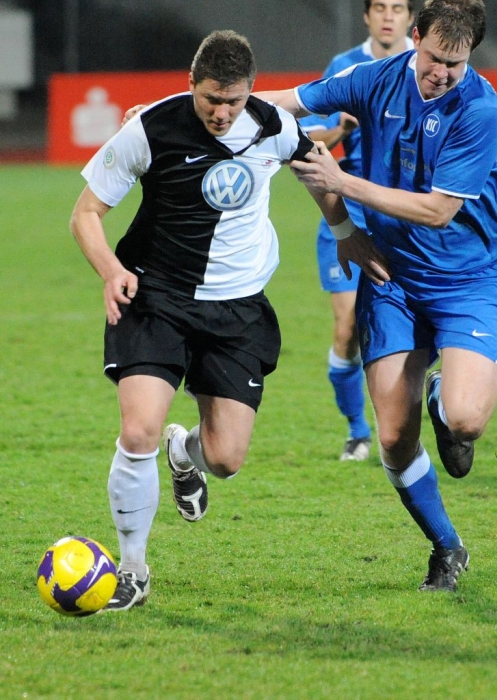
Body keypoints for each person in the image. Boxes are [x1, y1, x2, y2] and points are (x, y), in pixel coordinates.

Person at [70, 30, 383, 611]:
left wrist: (346, 233)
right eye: (211, 99)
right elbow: (86, 212)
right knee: (137, 432)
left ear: (250, 92)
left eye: (233, 101)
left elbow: (315, 169)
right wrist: (111, 270)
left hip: (237, 308)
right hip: (155, 296)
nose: (221, 112)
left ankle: (184, 452)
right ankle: (132, 570)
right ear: (191, 85)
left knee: (225, 458)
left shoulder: (272, 125)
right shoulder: (150, 129)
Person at [258, 0, 497, 591]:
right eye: (433, 58)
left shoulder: (480, 109)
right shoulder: (370, 79)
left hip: (466, 279)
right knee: (394, 437)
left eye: (456, 63)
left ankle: (442, 399)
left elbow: (437, 211)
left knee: (465, 421)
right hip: (392, 277)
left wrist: (342, 185)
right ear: (415, 38)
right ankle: (447, 546)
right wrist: (175, 110)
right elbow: (283, 103)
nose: (441, 74)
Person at [302, 0, 417, 462]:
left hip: (404, 215)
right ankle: (357, 430)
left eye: (398, 8)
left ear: (411, 19)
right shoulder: (344, 67)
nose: (388, 17)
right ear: (367, 16)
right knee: (348, 328)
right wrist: (341, 130)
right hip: (348, 213)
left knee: (420, 323)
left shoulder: (424, 69)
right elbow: (308, 141)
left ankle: (423, 412)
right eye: (380, 8)